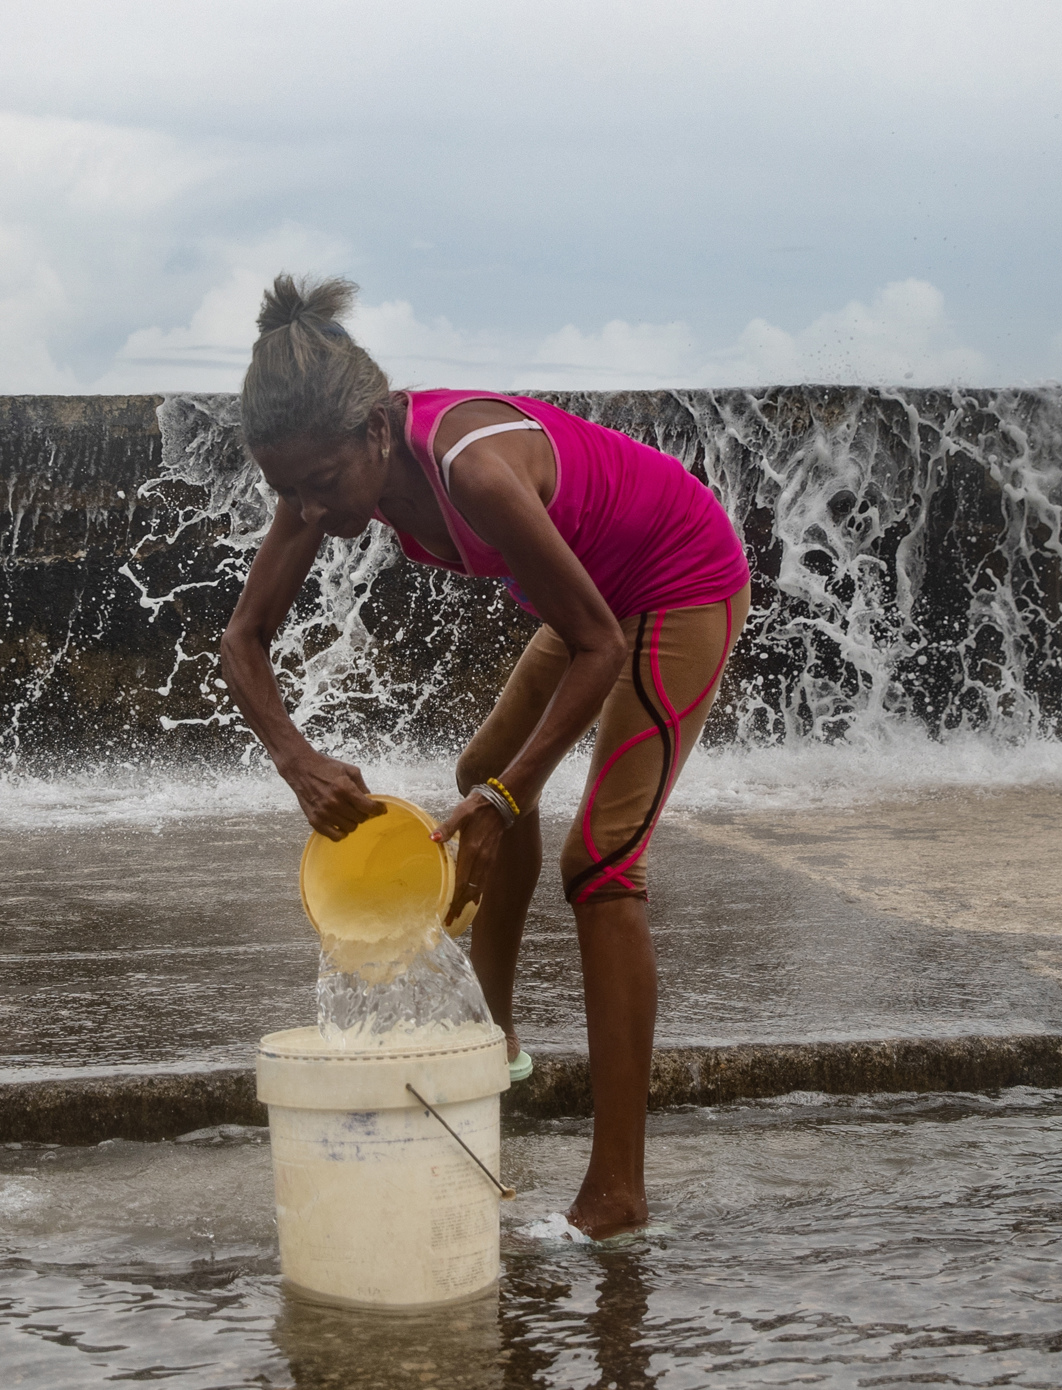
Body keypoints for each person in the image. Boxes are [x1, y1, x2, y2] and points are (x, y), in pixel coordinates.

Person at [221, 274, 751, 1240]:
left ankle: (618, 1191)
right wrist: (296, 758)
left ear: (379, 429)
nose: (304, 507)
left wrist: (517, 794)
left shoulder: (471, 469)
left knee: (602, 864)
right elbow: (242, 638)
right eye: (284, 489)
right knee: (483, 778)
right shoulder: (324, 474)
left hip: (676, 582)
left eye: (322, 483)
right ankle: (495, 1037)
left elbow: (600, 643)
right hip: (590, 600)